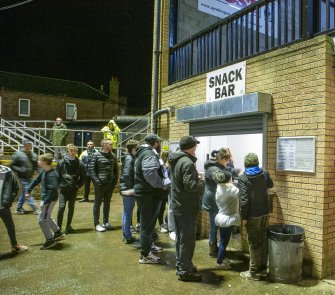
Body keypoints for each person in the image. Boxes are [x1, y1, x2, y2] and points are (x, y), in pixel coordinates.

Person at [169, 136, 205, 282]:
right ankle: (185, 271)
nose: (196, 148)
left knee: (181, 239)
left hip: (178, 205)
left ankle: (182, 265)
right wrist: (201, 183)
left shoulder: (176, 159)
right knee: (187, 240)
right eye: (195, 146)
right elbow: (191, 186)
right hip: (186, 207)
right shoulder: (187, 162)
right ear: (191, 147)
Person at [134, 133, 170, 264]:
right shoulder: (149, 154)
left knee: (148, 225)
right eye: (159, 142)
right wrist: (162, 183)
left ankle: (148, 250)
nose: (160, 144)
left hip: (147, 193)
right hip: (148, 194)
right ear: (155, 143)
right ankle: (145, 255)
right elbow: (149, 174)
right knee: (146, 225)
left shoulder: (145, 153)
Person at [237, 153, 274, 280]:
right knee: (263, 240)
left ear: (245, 163)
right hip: (265, 213)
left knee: (253, 243)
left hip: (252, 215)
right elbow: (270, 185)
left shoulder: (243, 178)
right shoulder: (264, 173)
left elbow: (244, 200)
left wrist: (244, 217)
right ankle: (263, 269)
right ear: (257, 162)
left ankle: (253, 272)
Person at [202, 148, 239, 258]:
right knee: (215, 226)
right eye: (227, 159)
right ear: (222, 158)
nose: (228, 161)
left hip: (217, 199)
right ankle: (212, 250)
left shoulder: (219, 166)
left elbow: (227, 170)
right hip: (213, 200)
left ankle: (217, 249)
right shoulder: (213, 169)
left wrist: (236, 171)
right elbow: (220, 177)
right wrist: (229, 175)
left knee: (217, 225)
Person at [26, 153, 66, 250]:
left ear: (45, 162)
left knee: (41, 220)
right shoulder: (44, 171)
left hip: (49, 199)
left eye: (40, 160)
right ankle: (57, 232)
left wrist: (44, 203)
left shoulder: (52, 174)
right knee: (47, 216)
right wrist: (28, 189)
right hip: (47, 199)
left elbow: (52, 189)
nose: (38, 161)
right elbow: (36, 180)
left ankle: (50, 240)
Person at [89, 138, 118, 232]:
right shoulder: (96, 155)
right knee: (97, 203)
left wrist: (114, 183)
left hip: (110, 184)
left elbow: (116, 171)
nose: (112, 145)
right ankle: (96, 224)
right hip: (99, 185)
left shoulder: (113, 156)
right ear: (104, 145)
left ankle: (105, 222)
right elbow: (92, 170)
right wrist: (97, 182)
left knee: (107, 203)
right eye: (110, 144)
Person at [213, 170, 240, 270]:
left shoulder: (219, 187)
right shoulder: (231, 189)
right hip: (227, 219)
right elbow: (241, 193)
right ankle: (219, 262)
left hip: (221, 217)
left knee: (222, 240)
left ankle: (223, 258)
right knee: (224, 242)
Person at [56, 144, 85, 234]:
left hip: (73, 188)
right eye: (71, 151)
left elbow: (83, 176)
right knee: (61, 207)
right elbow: (57, 176)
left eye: (75, 151)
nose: (73, 153)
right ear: (68, 151)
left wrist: (77, 185)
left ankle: (68, 227)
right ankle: (58, 228)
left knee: (71, 207)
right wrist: (59, 186)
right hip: (63, 189)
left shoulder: (79, 163)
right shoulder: (61, 162)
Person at [0, 165, 28, 253]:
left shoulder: (6, 171)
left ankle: (14, 245)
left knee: (10, 226)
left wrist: (8, 200)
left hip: (3, 206)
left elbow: (16, 186)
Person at [11, 139, 39, 215]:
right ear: (24, 145)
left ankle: (19, 208)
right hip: (22, 178)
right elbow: (12, 165)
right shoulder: (18, 154)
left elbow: (36, 167)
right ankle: (35, 208)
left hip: (30, 177)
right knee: (28, 192)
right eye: (27, 145)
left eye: (30, 145)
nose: (29, 146)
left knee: (24, 193)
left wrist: (39, 176)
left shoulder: (34, 155)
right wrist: (20, 170)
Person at [119, 139, 138, 244]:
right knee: (128, 213)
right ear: (133, 148)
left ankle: (125, 234)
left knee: (126, 212)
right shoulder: (129, 159)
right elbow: (127, 175)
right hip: (128, 189)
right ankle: (127, 236)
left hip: (126, 188)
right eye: (137, 148)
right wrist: (132, 188)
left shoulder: (129, 157)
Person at [158, 150, 170, 233]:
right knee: (162, 208)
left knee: (169, 208)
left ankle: (164, 223)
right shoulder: (161, 165)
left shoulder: (170, 165)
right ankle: (162, 224)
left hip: (167, 189)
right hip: (163, 190)